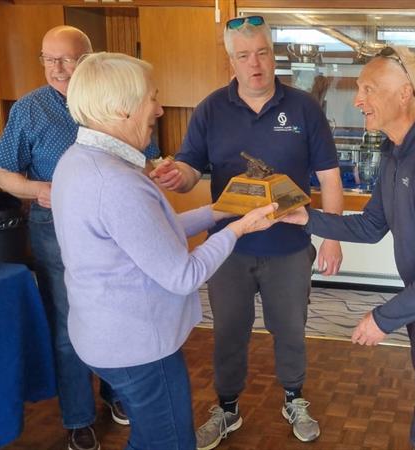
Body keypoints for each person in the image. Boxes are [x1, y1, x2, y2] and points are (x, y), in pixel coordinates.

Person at [50, 52, 278, 450]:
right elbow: (183, 274)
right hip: (137, 347)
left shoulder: (77, 160)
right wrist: (241, 227)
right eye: (151, 98)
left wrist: (223, 209)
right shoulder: (115, 182)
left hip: (103, 336)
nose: (158, 108)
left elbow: (155, 235)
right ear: (121, 109)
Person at [282, 44, 415, 450]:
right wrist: (308, 218)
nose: (358, 99)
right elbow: (372, 224)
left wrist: (383, 318)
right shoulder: (395, 150)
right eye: (360, 89)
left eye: (369, 89)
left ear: (405, 93)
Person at [150, 15, 343, 447]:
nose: (254, 64)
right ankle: (228, 408)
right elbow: (189, 166)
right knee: (229, 331)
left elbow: (330, 177)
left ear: (274, 55)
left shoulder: (304, 108)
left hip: (290, 247)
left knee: (290, 328)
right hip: (228, 249)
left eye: (262, 53)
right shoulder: (211, 109)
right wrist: (173, 176)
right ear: (230, 62)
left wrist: (331, 236)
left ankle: (294, 397)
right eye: (243, 56)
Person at [0, 26, 150, 450]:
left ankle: (116, 394)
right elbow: (4, 173)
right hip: (53, 226)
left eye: (68, 59)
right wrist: (38, 190)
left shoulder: (113, 97)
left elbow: (142, 157)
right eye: (48, 58)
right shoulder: (28, 109)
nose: (57, 68)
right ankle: (78, 418)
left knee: (116, 310)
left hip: (115, 223)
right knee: (67, 324)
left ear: (90, 58)